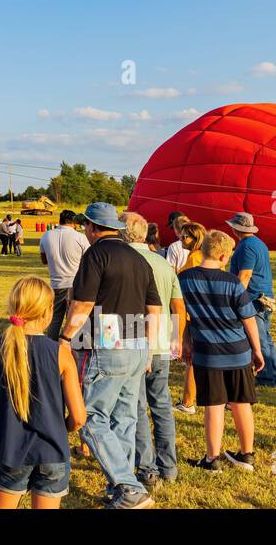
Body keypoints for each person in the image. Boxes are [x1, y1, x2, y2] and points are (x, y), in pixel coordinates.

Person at [59, 202, 162, 509]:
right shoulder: (140, 258)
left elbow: (83, 304)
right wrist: (148, 351)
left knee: (90, 418)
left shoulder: (96, 255)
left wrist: (65, 338)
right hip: (138, 344)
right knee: (125, 419)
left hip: (106, 343)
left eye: (85, 227)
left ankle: (129, 488)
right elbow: (154, 308)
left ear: (92, 227)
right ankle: (119, 485)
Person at [0, 276, 85, 509]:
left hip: (11, 448)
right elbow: (79, 418)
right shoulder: (60, 354)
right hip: (53, 452)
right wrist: (59, 426)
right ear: (48, 312)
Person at [178, 230, 265, 472]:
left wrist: (185, 341)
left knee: (214, 406)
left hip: (207, 352)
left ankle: (212, 458)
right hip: (238, 351)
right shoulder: (233, 282)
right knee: (241, 402)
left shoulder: (184, 279)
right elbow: (248, 319)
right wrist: (257, 350)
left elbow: (183, 315)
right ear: (225, 256)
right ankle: (247, 454)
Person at [121, 212, 184, 488]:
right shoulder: (163, 263)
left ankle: (147, 466)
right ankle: (168, 466)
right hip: (160, 344)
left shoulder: (121, 261)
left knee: (136, 406)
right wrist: (176, 339)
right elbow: (177, 307)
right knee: (162, 405)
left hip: (132, 342)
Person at [226, 213, 276, 387]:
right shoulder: (259, 244)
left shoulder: (246, 247)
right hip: (263, 296)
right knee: (265, 337)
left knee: (259, 339)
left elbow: (245, 275)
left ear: (236, 229)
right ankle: (275, 373)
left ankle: (266, 377)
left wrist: (236, 298)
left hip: (253, 299)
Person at [38, 210, 90, 339]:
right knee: (74, 319)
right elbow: (88, 261)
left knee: (55, 319)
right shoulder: (80, 237)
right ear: (73, 222)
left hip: (56, 283)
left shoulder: (46, 235)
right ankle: (72, 347)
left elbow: (44, 260)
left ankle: (51, 346)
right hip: (75, 283)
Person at [172, 220, 206, 414]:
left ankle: (188, 401)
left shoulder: (194, 259)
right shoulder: (197, 256)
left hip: (192, 314)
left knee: (191, 359)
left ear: (196, 238)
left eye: (186, 236)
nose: (181, 238)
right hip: (200, 313)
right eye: (181, 235)